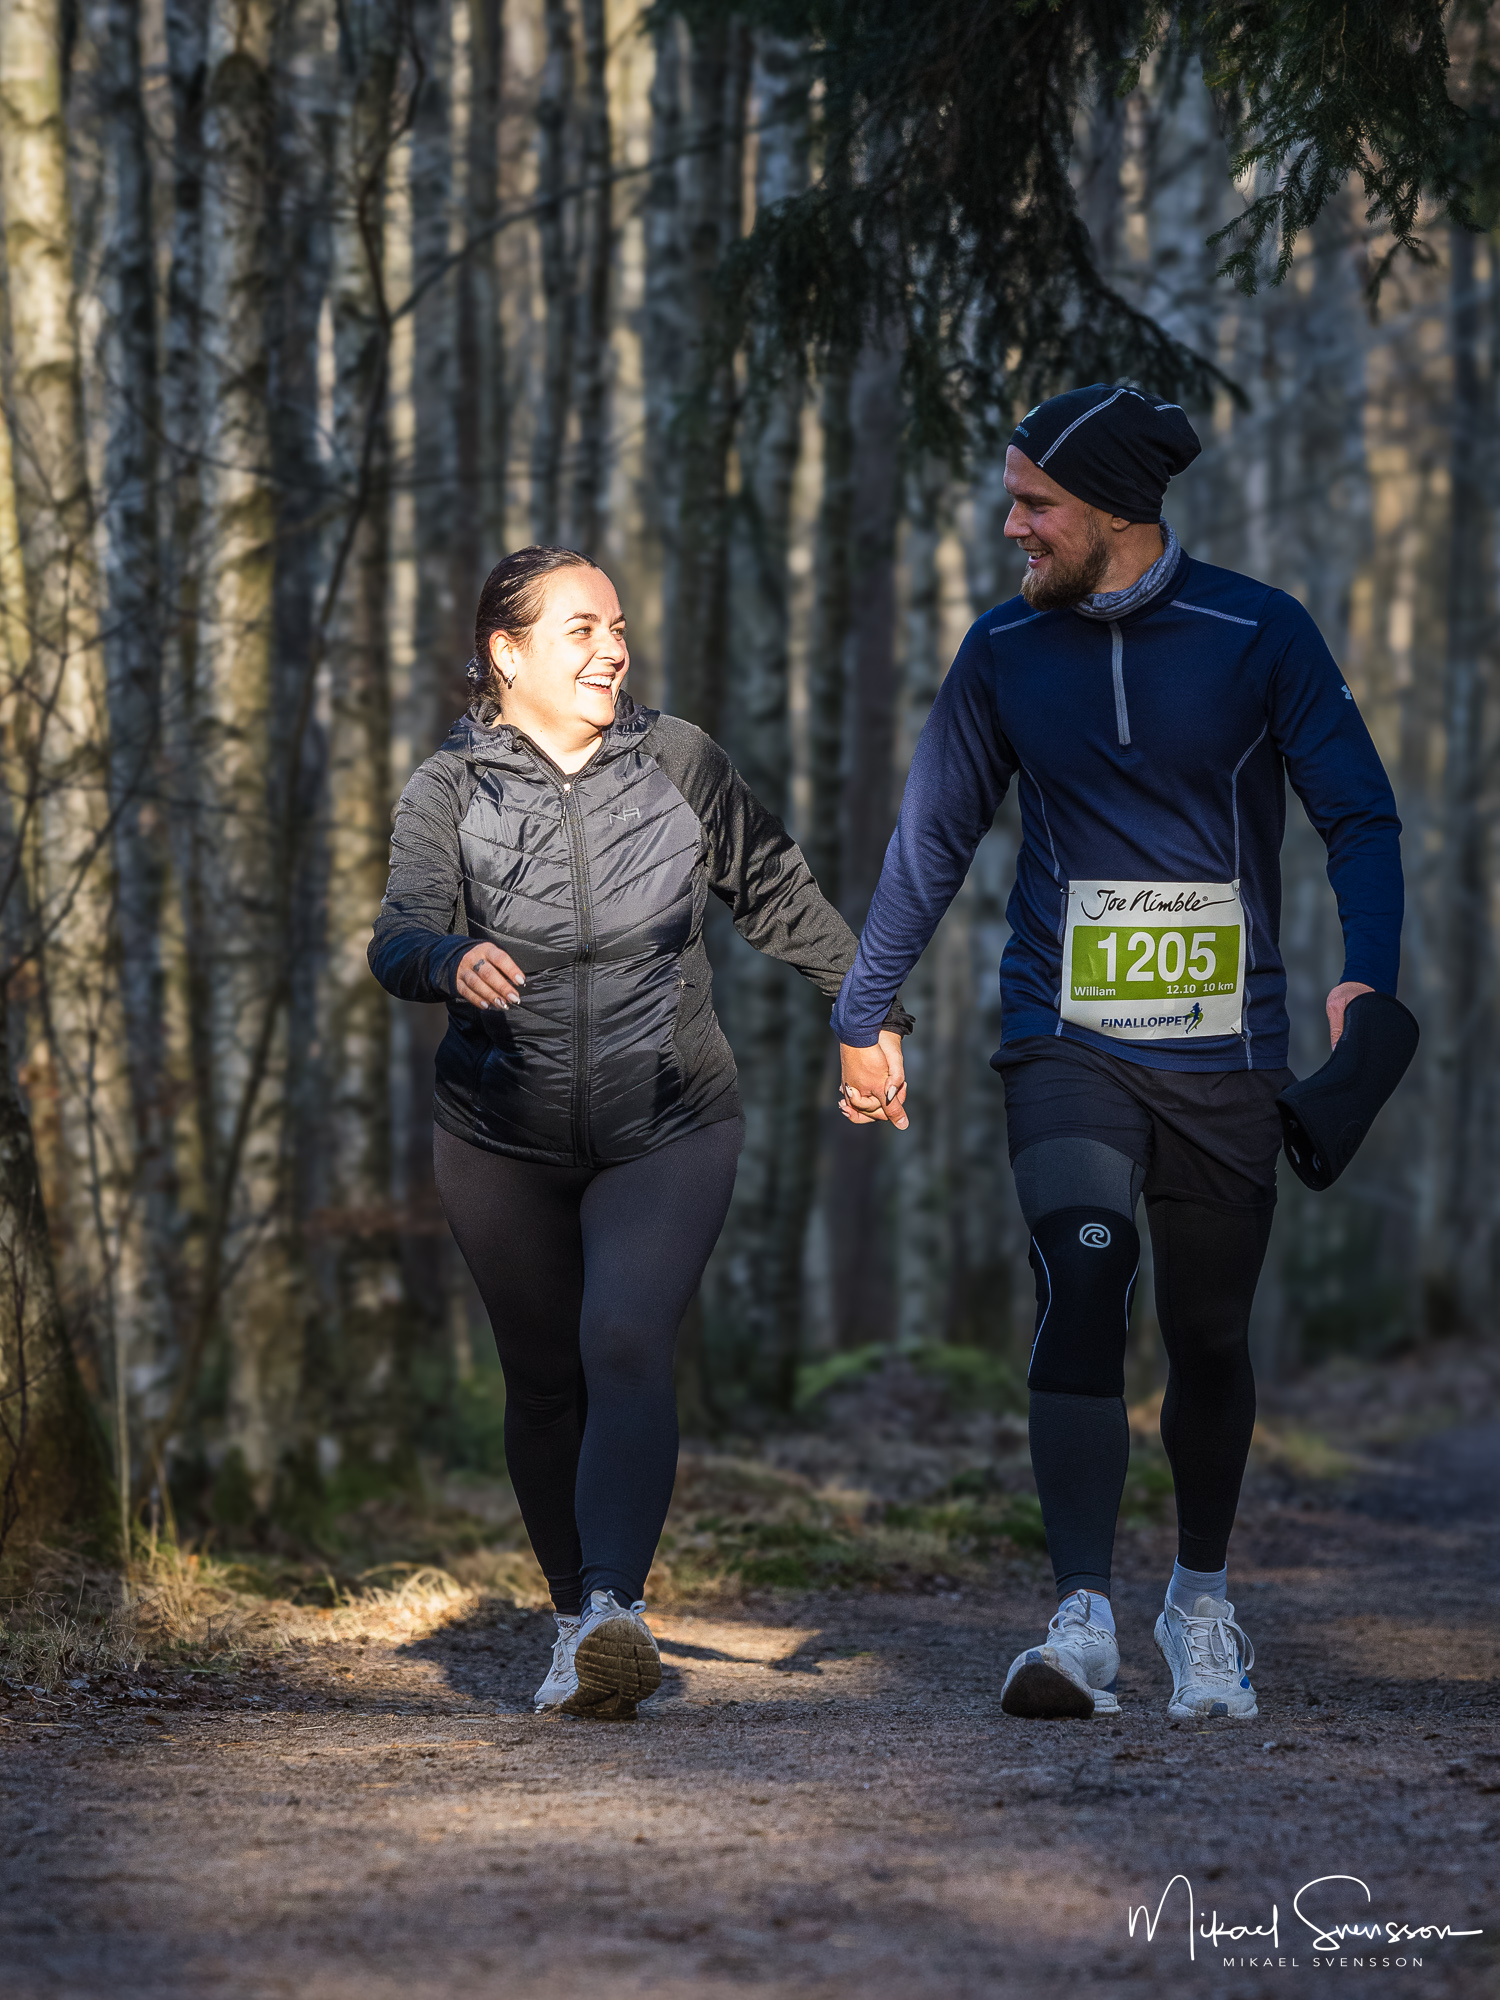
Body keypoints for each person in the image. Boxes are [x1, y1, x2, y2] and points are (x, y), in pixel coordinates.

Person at [832, 385, 1402, 1722]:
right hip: (1063, 1034)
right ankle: (1080, 1617)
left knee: (1207, 1335)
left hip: (1231, 1051)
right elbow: (930, 842)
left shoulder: (1259, 633)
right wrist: (865, 1012)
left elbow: (1360, 819)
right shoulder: (1002, 653)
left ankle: (1200, 1602)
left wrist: (1365, 983)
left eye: (1037, 502)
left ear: (1115, 512)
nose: (1012, 522)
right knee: (1084, 1279)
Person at [369, 545, 908, 1721]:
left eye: (617, 626)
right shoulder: (446, 791)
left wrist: (867, 1013)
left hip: (668, 1117)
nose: (612, 647)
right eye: (580, 629)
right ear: (506, 654)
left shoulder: (678, 761)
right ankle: (574, 1620)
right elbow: (397, 934)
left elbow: (775, 888)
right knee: (544, 1380)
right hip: (497, 1132)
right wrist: (451, 957)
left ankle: (613, 1609)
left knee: (621, 1337)